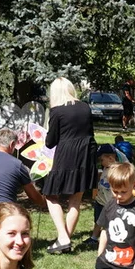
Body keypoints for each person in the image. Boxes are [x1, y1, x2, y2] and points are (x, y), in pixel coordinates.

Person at [42, 77, 97, 254]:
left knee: (50, 195)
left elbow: (50, 142)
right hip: (86, 154)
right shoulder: (85, 107)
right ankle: (64, 240)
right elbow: (90, 132)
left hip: (67, 155)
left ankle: (63, 238)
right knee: (76, 198)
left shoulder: (57, 111)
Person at [83, 144, 120, 249]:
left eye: (101, 160)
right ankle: (94, 237)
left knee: (110, 222)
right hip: (100, 201)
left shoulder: (116, 170)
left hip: (110, 202)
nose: (100, 162)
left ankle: (112, 239)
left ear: (110, 158)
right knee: (98, 221)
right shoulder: (106, 168)